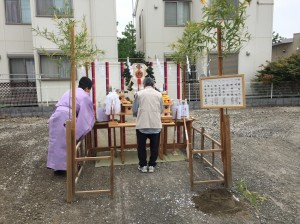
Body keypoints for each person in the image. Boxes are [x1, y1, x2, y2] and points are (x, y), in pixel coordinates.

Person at [47, 76, 95, 175]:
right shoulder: (85, 95)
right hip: (67, 116)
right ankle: (68, 168)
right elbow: (86, 114)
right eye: (89, 89)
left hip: (56, 115)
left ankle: (57, 168)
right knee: (68, 142)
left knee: (56, 142)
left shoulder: (70, 91)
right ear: (87, 88)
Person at [132, 77, 163, 173]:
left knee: (141, 146)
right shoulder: (159, 95)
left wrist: (139, 115)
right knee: (154, 147)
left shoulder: (139, 94)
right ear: (153, 85)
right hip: (155, 125)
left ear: (144, 84)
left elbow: (134, 109)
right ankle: (152, 165)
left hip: (142, 125)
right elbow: (161, 110)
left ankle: (143, 165)